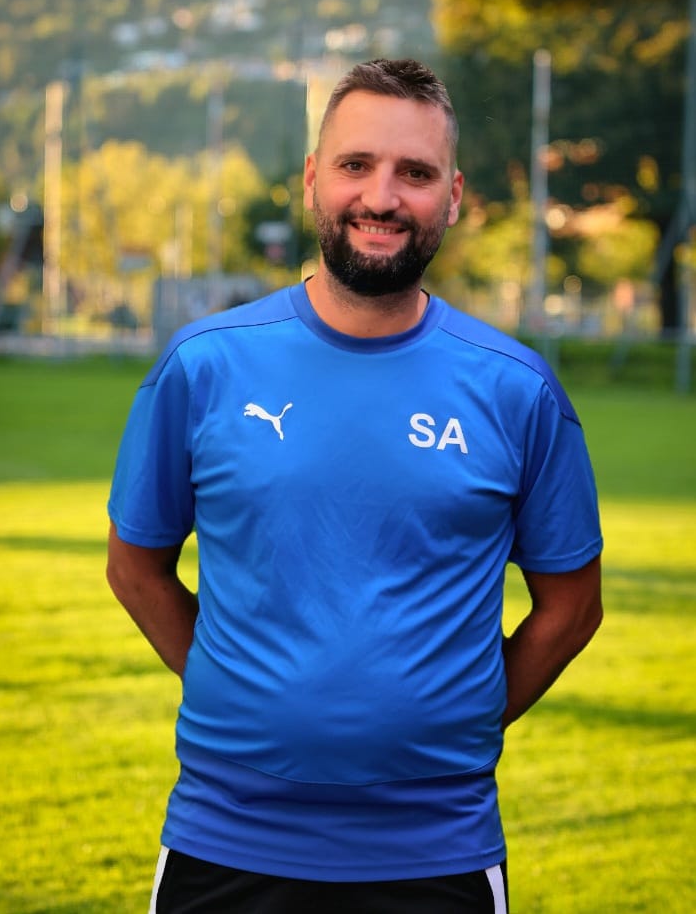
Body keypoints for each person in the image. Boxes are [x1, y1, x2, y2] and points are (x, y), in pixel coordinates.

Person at [107, 58, 603, 914]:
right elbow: (135, 568)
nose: (382, 197)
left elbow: (572, 607)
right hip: (226, 839)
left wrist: (459, 719)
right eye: (356, 165)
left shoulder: (516, 389)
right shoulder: (204, 365)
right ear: (312, 179)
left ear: (453, 197)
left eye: (415, 173)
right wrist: (239, 696)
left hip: (437, 849)